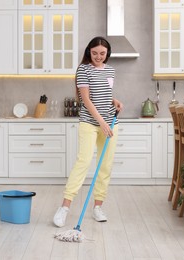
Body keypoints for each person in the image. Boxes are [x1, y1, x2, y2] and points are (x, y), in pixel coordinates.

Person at [53, 36, 123, 227]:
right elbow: (86, 100)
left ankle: (97, 207)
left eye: (102, 53)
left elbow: (103, 94)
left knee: (105, 165)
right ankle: (64, 208)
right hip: (91, 123)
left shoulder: (110, 70)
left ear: (107, 53)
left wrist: (113, 101)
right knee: (83, 161)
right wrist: (101, 122)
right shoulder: (83, 69)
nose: (98, 56)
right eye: (94, 53)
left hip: (109, 122)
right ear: (88, 52)